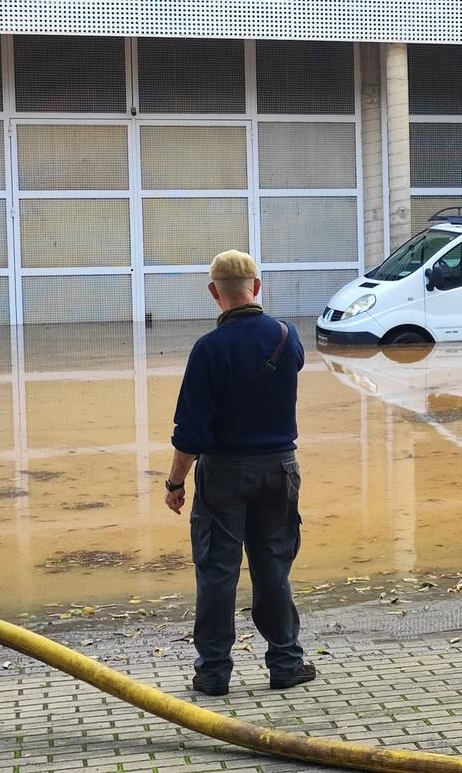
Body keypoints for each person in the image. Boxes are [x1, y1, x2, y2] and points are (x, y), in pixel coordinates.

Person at [164, 249, 316, 697]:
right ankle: (286, 663)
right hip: (280, 470)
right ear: (258, 287)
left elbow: (190, 432)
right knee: (273, 567)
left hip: (224, 474)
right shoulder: (286, 336)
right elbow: (291, 370)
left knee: (217, 572)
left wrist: (175, 483)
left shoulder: (209, 349)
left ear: (214, 292)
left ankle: (214, 674)